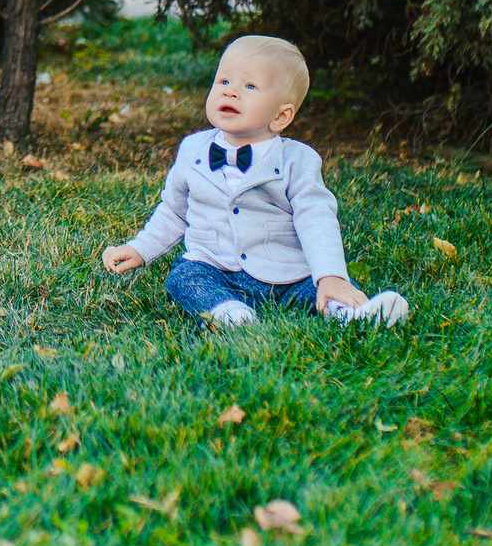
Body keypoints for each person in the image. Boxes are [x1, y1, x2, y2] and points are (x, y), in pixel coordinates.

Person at [100, 35, 410, 328]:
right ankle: (228, 312)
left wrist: (330, 275)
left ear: (280, 116)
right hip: (215, 267)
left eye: (249, 86)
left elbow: (316, 219)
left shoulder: (298, 162)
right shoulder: (192, 150)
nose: (230, 91)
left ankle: (350, 312)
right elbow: (174, 211)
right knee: (183, 277)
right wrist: (141, 247)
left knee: (319, 287)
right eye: (223, 81)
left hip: (286, 274)